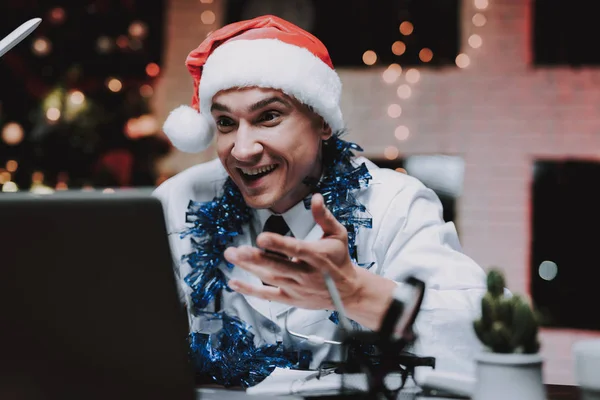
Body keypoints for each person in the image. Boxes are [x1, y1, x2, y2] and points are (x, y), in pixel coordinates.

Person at [153, 14, 487, 388]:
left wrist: (357, 293)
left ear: (323, 122)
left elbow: (481, 336)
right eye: (226, 123)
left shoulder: (395, 203)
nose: (242, 150)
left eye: (269, 117)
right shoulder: (178, 200)